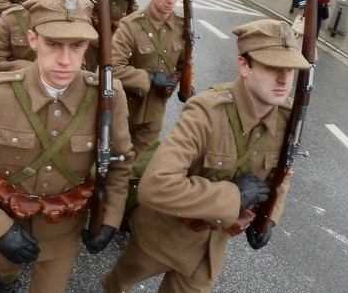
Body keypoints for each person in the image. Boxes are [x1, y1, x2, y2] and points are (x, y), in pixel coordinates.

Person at [0, 0, 134, 293]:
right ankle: (6, 278)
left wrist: (110, 217)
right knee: (4, 269)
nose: (66, 60)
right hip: (6, 215)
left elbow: (119, 161)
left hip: (63, 227)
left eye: (77, 45)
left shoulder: (108, 96)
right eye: (53, 44)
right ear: (32, 40)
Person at [102, 19, 310, 292]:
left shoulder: (287, 120)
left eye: (290, 69)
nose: (285, 80)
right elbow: (156, 186)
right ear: (244, 66)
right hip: (162, 236)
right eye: (272, 68)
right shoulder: (207, 112)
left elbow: (281, 173)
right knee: (118, 285)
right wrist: (233, 197)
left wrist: (271, 217)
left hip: (208, 252)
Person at [112, 0, 186, 156]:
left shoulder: (182, 26)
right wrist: (149, 78)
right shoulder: (131, 25)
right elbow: (112, 67)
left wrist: (179, 82)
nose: (171, 0)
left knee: (139, 168)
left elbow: (183, 64)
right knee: (115, 163)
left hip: (155, 112)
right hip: (125, 110)